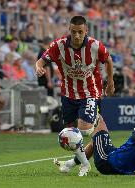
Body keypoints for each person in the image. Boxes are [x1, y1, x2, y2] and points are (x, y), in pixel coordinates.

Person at [35, 15, 115, 176]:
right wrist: (38, 68)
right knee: (69, 136)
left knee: (84, 128)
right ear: (69, 31)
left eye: (80, 32)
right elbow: (41, 61)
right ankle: (82, 164)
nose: (77, 36)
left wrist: (111, 82)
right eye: (73, 32)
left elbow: (108, 60)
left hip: (90, 92)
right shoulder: (59, 45)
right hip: (68, 94)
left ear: (86, 31)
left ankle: (97, 120)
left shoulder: (95, 45)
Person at [54, 103, 135, 176]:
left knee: (99, 119)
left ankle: (81, 164)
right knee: (96, 141)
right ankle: (70, 164)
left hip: (107, 162)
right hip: (123, 167)